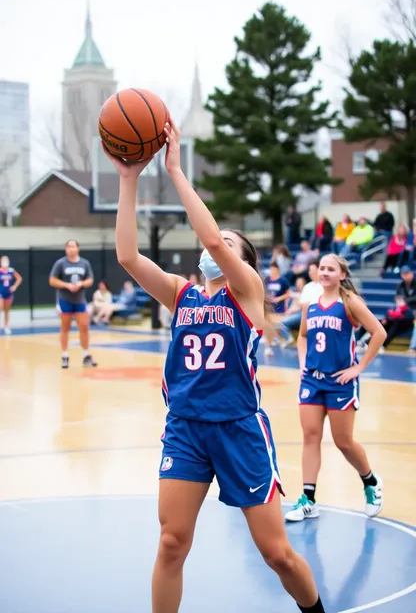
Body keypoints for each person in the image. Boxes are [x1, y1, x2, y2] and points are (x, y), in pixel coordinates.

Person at [103, 120, 327, 613]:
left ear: (241, 260)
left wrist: (177, 170)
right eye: (211, 240)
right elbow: (126, 256)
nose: (212, 244)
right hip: (185, 426)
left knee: (277, 555)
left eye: (223, 241)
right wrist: (128, 178)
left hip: (238, 429)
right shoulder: (182, 294)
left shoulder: (246, 293)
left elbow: (217, 242)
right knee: (170, 543)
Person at [285, 254, 386, 523]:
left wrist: (358, 368)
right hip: (312, 380)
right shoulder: (310, 305)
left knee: (343, 442)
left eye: (331, 269)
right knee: (310, 437)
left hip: (340, 382)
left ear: (342, 275)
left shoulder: (349, 302)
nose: (325, 272)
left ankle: (371, 481)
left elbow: (379, 333)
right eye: (322, 268)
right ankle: (309, 499)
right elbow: (303, 337)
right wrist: (303, 363)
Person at [49, 240, 97, 369]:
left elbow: (90, 279)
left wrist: (81, 284)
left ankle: (86, 355)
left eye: (73, 246)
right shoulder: (60, 263)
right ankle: (65, 356)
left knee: (84, 326)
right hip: (65, 299)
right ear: (66, 249)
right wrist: (66, 285)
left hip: (80, 300)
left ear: (78, 248)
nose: (71, 249)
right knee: (65, 327)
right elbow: (52, 280)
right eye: (68, 247)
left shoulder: (84, 263)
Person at [263, 262, 291, 355]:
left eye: (274, 269)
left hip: (279, 307)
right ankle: (268, 347)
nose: (272, 271)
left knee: (277, 326)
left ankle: (283, 339)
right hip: (269, 307)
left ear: (277, 270)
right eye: (271, 269)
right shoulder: (267, 280)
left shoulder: (283, 280)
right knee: (267, 326)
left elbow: (288, 293)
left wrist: (278, 298)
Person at [0, 255, 23, 335]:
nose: (5, 262)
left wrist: (15, 286)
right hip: (1, 292)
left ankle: (6, 326)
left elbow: (19, 278)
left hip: (9, 292)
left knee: (7, 310)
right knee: (0, 307)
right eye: (3, 260)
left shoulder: (11, 271)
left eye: (6, 260)